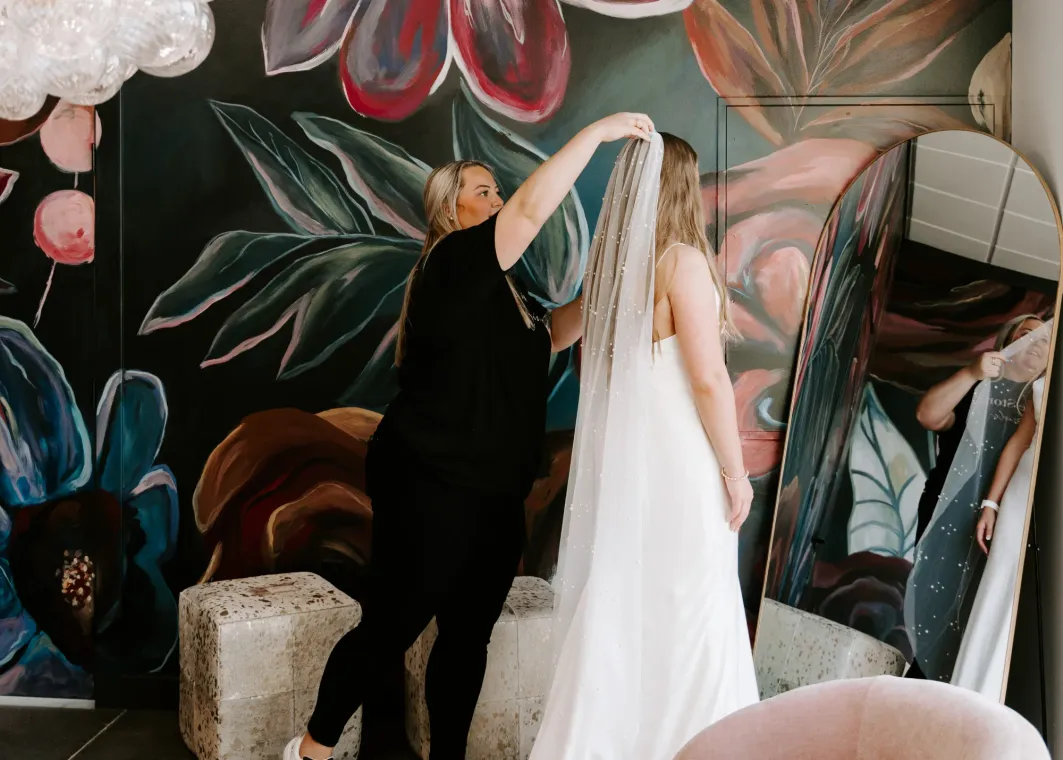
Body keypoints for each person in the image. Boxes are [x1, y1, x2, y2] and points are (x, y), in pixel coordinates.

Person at [284, 111, 656, 760]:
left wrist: (620, 266)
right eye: (482, 190)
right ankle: (312, 749)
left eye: (496, 190)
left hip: (492, 486)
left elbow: (560, 330)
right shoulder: (451, 259)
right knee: (396, 620)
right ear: (449, 208)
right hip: (429, 476)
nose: (497, 198)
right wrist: (594, 134)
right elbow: (534, 209)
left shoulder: (504, 293)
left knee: (466, 635)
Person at [528, 132, 758, 760]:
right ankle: (697, 743)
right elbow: (709, 380)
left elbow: (554, 340)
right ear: (685, 186)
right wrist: (736, 474)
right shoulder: (682, 262)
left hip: (632, 469)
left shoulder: (610, 275)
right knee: (691, 603)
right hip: (681, 465)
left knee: (629, 597)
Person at [904, 314, 1044, 681]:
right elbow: (928, 415)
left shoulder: (1041, 404)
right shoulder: (977, 384)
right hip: (947, 509)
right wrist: (971, 372)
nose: (1037, 345)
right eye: (1028, 336)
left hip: (1005, 521)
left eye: (1046, 341)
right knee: (938, 603)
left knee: (976, 609)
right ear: (1008, 342)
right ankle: (917, 684)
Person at [950, 319, 1051, 699]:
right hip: (1020, 496)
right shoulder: (1044, 383)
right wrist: (991, 502)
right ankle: (972, 692)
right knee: (999, 585)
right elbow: (1018, 443)